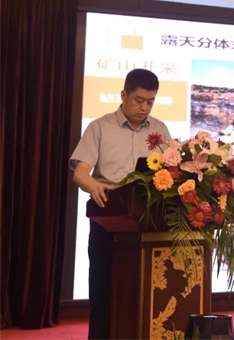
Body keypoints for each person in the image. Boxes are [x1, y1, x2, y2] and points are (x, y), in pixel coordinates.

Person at [69, 69, 172, 339]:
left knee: (147, 296)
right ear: (124, 95)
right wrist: (94, 186)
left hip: (149, 224)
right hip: (109, 220)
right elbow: (80, 173)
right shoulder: (100, 127)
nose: (144, 107)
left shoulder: (160, 129)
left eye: (150, 101)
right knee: (104, 295)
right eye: (139, 100)